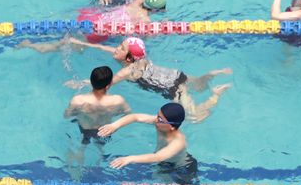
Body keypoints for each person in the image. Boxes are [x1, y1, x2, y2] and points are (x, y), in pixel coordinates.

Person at [75, 37, 231, 122]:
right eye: (119, 45)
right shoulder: (138, 58)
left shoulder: (128, 71)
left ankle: (216, 94)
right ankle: (211, 74)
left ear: (129, 58)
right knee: (198, 84)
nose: (116, 49)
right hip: (176, 75)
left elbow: (105, 83)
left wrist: (81, 82)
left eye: (121, 48)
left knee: (194, 116)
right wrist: (83, 43)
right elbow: (106, 48)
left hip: (173, 87)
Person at [97, 102, 198, 181]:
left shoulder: (178, 142)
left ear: (172, 126)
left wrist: (130, 158)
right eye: (157, 116)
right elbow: (135, 117)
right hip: (164, 162)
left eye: (160, 119)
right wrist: (115, 125)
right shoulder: (160, 123)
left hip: (183, 168)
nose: (156, 120)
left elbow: (158, 157)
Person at [64, 65, 132, 150]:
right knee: (101, 149)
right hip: (104, 131)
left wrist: (79, 112)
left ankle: (80, 152)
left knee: (82, 146)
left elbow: (67, 115)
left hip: (85, 129)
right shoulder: (118, 100)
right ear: (108, 85)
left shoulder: (78, 100)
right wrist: (114, 114)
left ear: (91, 82)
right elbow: (129, 115)